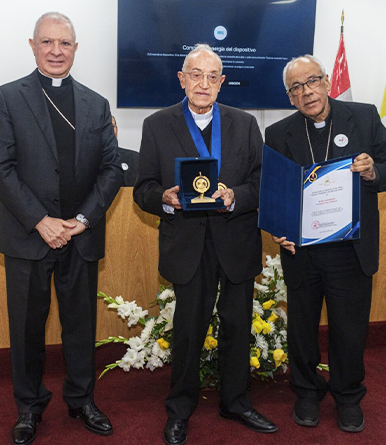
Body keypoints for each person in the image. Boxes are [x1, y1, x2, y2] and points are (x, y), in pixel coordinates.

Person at [0, 12, 122, 445]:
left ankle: (82, 399)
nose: (56, 51)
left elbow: (111, 169)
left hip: (80, 237)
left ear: (75, 48)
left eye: (64, 43)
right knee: (27, 328)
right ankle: (28, 407)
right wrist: (40, 220)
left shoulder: (96, 104)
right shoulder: (7, 97)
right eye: (47, 42)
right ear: (33, 46)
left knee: (81, 326)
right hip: (29, 236)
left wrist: (82, 220)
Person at [134, 44, 277, 445]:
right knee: (188, 331)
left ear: (222, 82)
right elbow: (143, 189)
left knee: (238, 327)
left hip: (236, 241)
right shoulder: (157, 125)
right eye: (196, 75)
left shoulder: (245, 124)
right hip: (187, 245)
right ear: (182, 79)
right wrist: (165, 198)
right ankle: (180, 408)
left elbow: (261, 182)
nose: (203, 83)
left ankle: (236, 402)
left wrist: (236, 196)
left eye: (212, 76)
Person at [264, 55, 386, 433]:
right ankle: (306, 391)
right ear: (290, 97)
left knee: (349, 329)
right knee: (302, 329)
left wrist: (373, 171)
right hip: (302, 252)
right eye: (296, 88)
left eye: (312, 81)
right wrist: (278, 228)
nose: (307, 92)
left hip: (350, 250)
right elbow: (274, 192)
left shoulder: (364, 116)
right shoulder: (278, 134)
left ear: (327, 81)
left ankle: (347, 396)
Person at [111, 115, 138, 187]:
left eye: (112, 126)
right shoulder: (88, 161)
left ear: (116, 130)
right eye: (105, 127)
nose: (109, 131)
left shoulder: (134, 158)